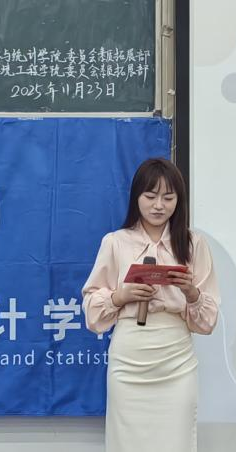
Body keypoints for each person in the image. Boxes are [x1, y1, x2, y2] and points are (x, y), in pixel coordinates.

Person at [82, 157, 220, 452]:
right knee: (127, 441)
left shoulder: (193, 244)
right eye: (151, 196)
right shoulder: (115, 242)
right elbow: (92, 311)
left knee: (176, 439)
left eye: (168, 198)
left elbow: (208, 321)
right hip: (129, 354)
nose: (159, 205)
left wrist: (191, 292)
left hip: (176, 356)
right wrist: (121, 296)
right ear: (137, 197)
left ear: (179, 201)